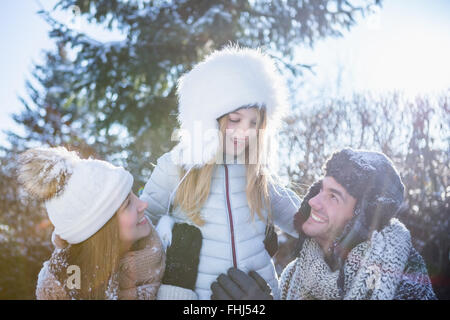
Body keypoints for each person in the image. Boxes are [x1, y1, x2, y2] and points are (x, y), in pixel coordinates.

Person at [140, 46, 301, 299]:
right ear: (209, 118)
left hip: (257, 296)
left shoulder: (257, 175)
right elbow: (139, 221)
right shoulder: (176, 166)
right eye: (235, 120)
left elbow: (305, 222)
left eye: (253, 123)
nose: (244, 132)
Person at [211, 148, 437, 300]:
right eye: (320, 189)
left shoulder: (403, 272)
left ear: (361, 218)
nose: (313, 202)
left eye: (333, 197)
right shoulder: (296, 272)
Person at [17, 146, 189, 299]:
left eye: (132, 195)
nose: (143, 204)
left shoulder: (171, 254)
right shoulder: (62, 290)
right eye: (127, 204)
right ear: (102, 229)